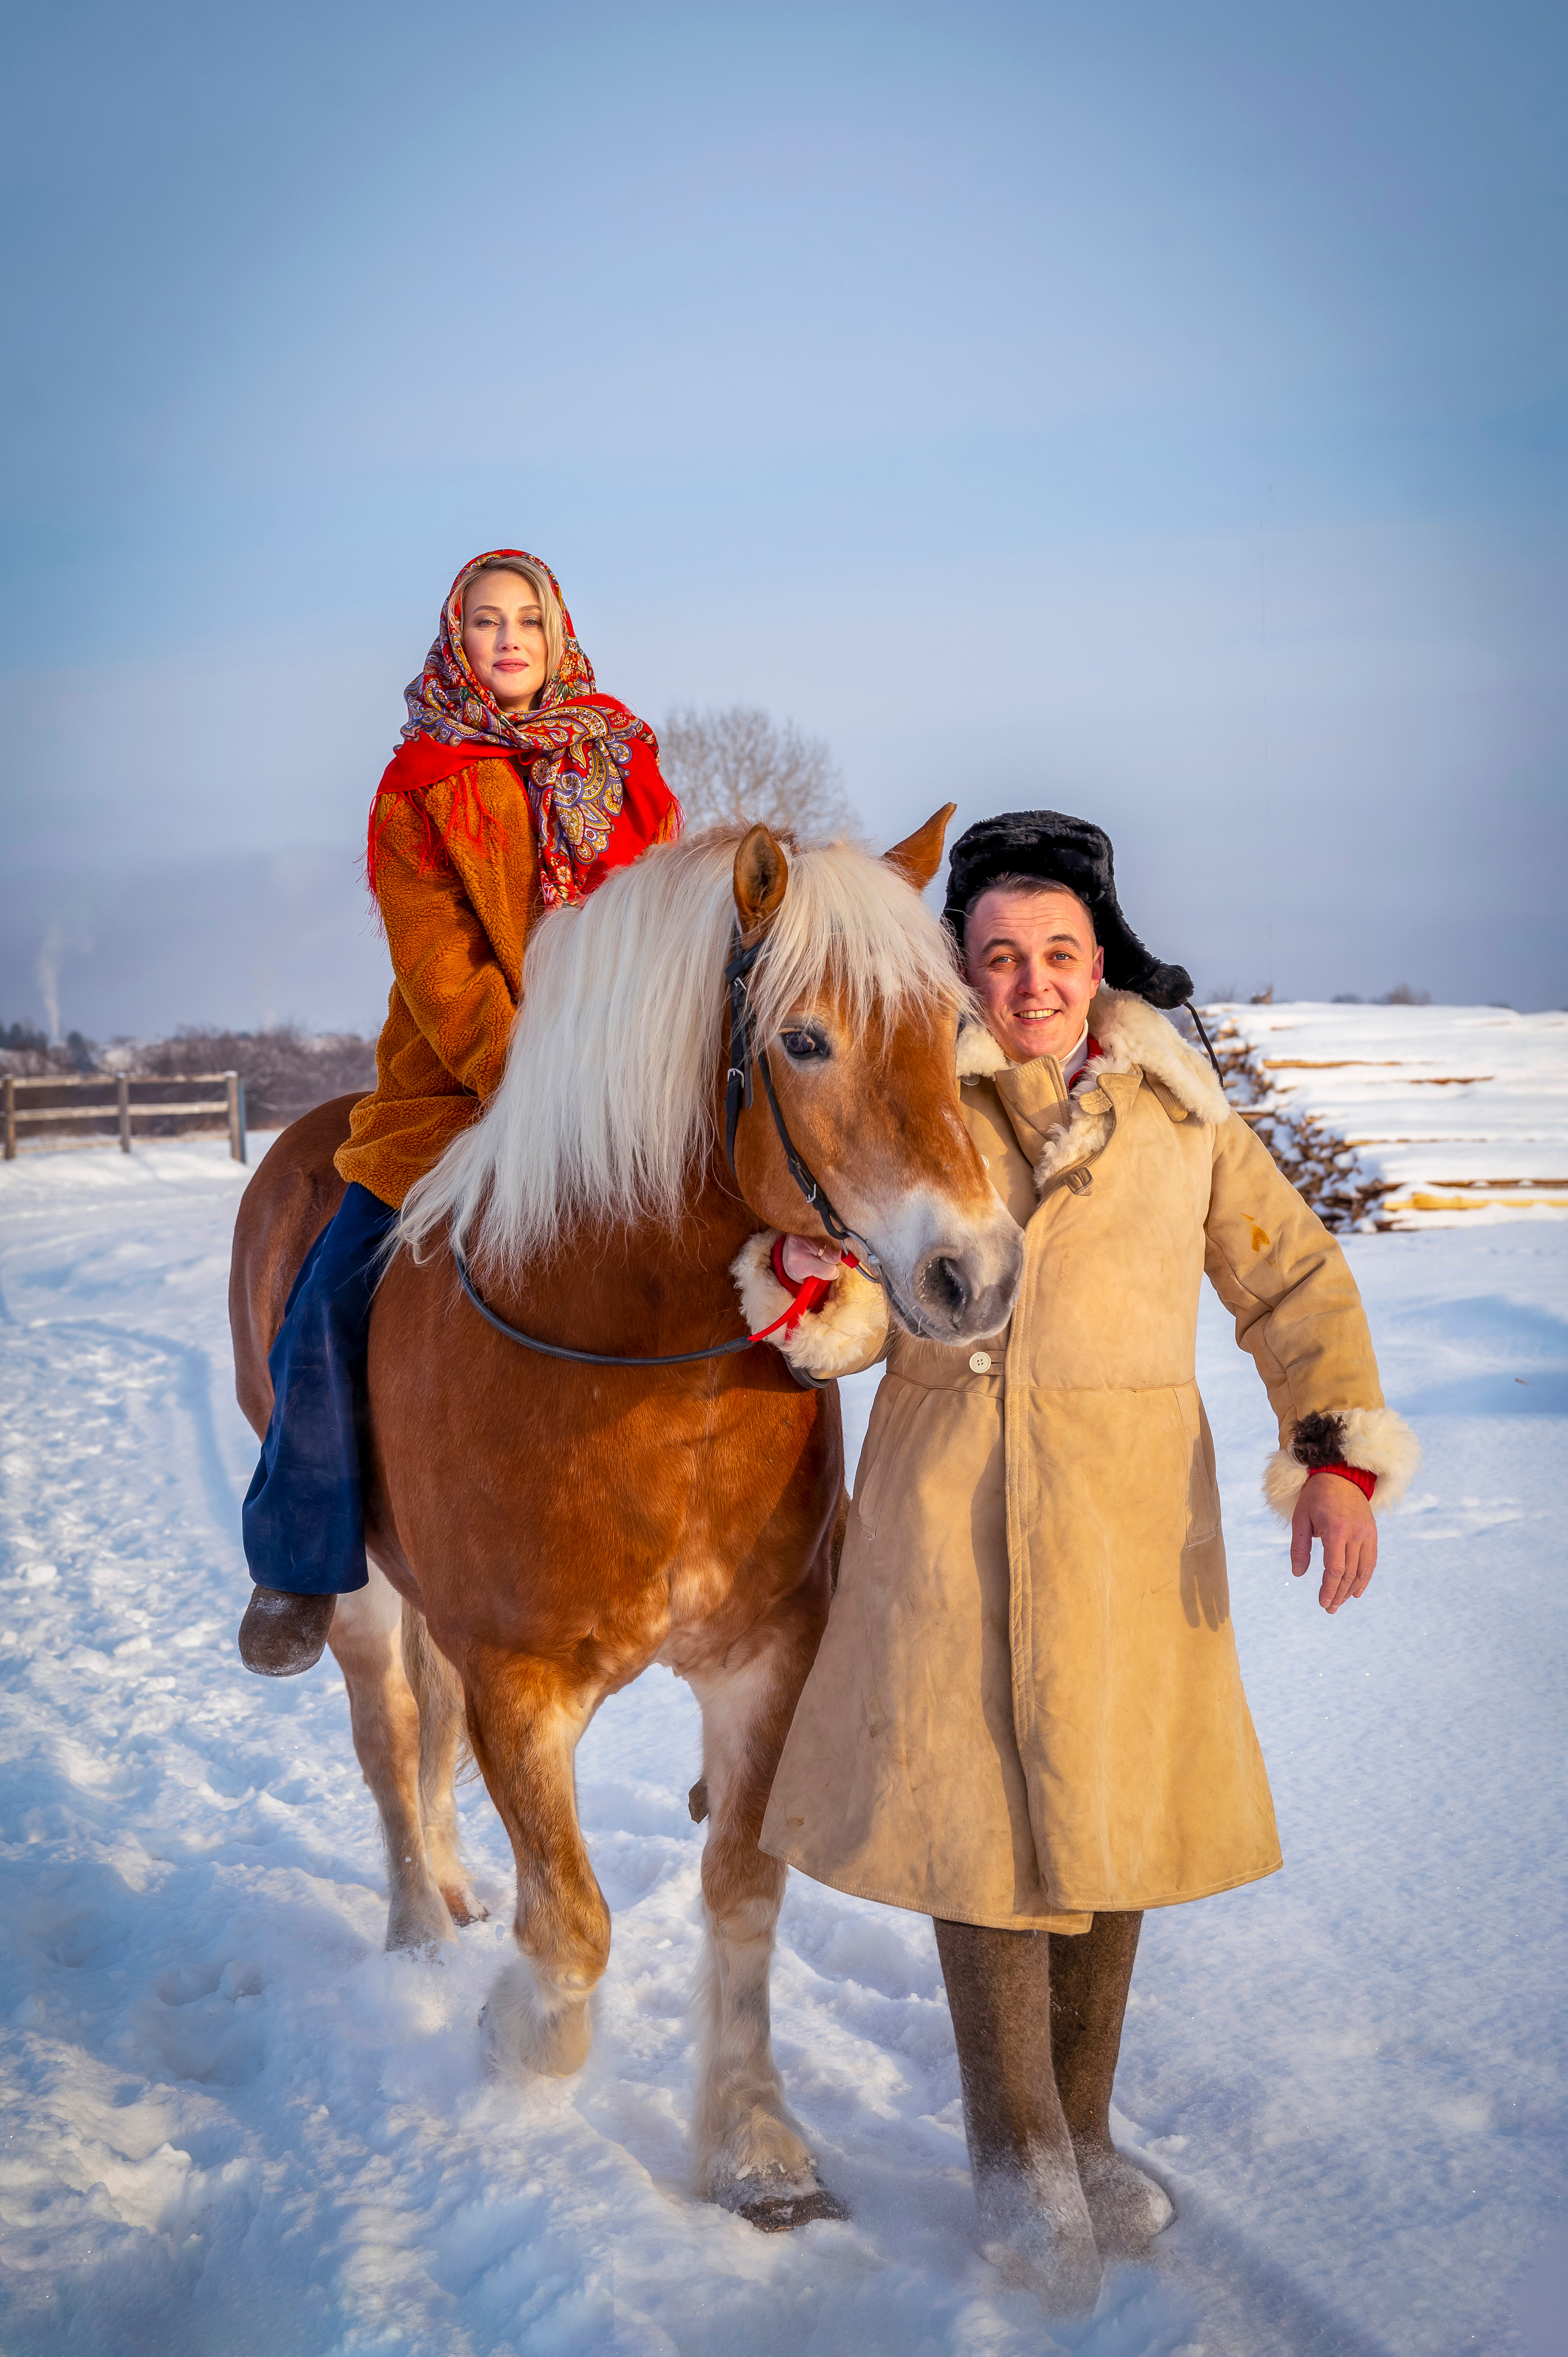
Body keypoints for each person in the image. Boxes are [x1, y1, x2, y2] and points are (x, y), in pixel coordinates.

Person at [759, 809, 1419, 2304]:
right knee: (977, 1817)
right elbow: (862, 1282)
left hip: (1131, 1513)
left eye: (1056, 950)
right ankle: (1012, 2147)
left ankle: (1083, 2121)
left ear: (1099, 957)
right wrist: (821, 1316)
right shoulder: (918, 1092)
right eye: (996, 954)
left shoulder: (1180, 1109)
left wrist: (1333, 1459)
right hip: (952, 1507)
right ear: (963, 972)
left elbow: (1288, 1274)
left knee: (1112, 1806)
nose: (1031, 979)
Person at [237, 550, 683, 1676]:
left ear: (558, 629)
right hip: (462, 1085)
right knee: (330, 1302)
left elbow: (670, 917)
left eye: (526, 618)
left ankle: (766, 1560)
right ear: (457, 640)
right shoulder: (420, 783)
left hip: (636, 1080)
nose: (509, 639)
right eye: (485, 622)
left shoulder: (625, 758)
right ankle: (299, 1558)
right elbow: (441, 971)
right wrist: (540, 1087)